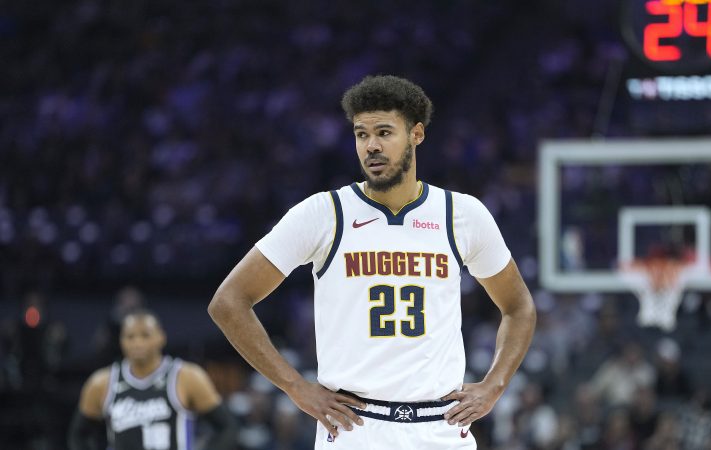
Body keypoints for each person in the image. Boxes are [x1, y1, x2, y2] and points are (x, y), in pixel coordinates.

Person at [208, 74, 536, 449]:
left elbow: (519, 306)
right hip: (355, 429)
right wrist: (296, 387)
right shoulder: (324, 213)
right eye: (362, 135)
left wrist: (495, 384)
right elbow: (229, 302)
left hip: (439, 428)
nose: (371, 146)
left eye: (384, 132)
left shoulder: (461, 214)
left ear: (416, 135)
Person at [69, 309, 237, 450]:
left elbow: (228, 428)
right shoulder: (101, 382)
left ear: (161, 337)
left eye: (145, 335)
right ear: (121, 341)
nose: (137, 343)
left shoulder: (187, 376)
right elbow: (78, 435)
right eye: (130, 337)